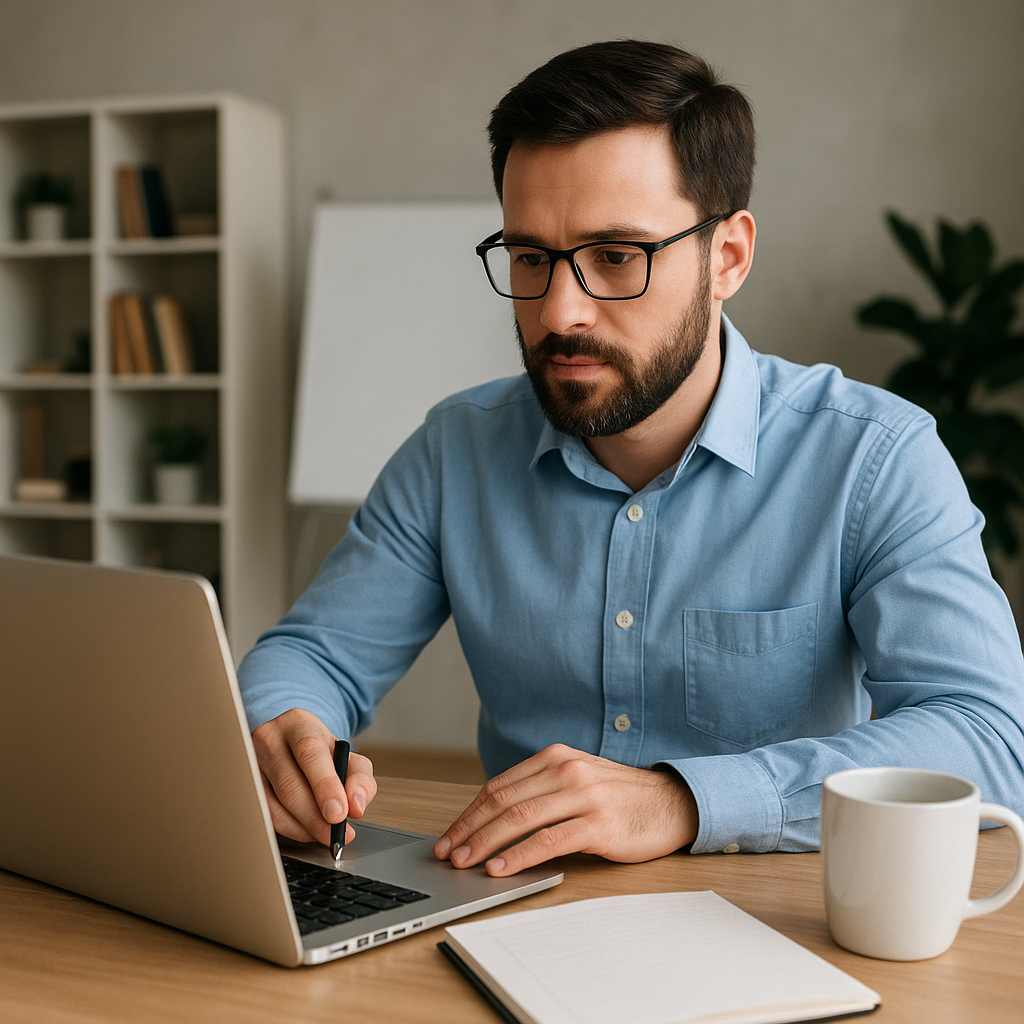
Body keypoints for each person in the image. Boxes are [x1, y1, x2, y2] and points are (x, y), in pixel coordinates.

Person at [239, 40, 1024, 877]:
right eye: (531, 257)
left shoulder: (875, 458)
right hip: (513, 915)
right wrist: (287, 726)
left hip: (773, 927)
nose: (560, 310)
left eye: (617, 257)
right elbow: (314, 654)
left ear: (727, 258)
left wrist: (682, 799)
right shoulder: (452, 452)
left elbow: (986, 736)